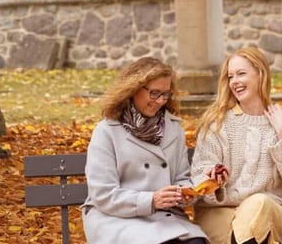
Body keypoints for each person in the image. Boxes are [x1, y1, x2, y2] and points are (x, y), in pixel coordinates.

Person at [190, 47, 282, 244]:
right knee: (249, 229)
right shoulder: (217, 124)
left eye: (241, 74)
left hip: (269, 213)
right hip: (219, 213)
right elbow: (200, 171)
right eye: (231, 76)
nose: (235, 81)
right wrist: (214, 178)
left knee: (259, 203)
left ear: (261, 75)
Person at [82, 57, 209, 244]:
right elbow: (103, 194)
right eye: (154, 93)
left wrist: (184, 194)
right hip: (116, 219)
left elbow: (181, 178)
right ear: (133, 89)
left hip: (164, 218)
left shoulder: (173, 129)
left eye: (165, 94)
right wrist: (151, 200)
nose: (159, 101)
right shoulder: (107, 130)